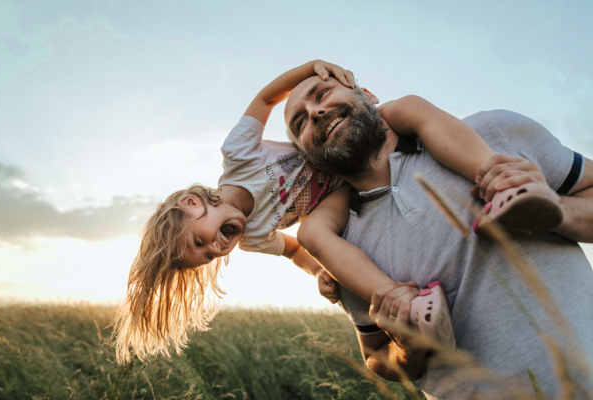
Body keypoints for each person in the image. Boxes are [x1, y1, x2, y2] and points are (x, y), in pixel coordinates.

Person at [111, 60, 561, 368]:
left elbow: (267, 96)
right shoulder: (252, 237)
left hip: (343, 156)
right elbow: (292, 250)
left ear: (193, 205)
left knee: (407, 106)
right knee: (313, 235)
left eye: (199, 241)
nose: (217, 247)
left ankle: (501, 181)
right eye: (209, 256)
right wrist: (323, 274)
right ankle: (404, 307)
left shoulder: (238, 155)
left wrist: (312, 69)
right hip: (339, 186)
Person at [286, 73, 593, 399]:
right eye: (299, 122)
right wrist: (408, 348)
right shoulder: (339, 247)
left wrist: (555, 208)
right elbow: (376, 356)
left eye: (322, 93)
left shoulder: (493, 132)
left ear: (368, 94)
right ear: (306, 154)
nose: (315, 113)